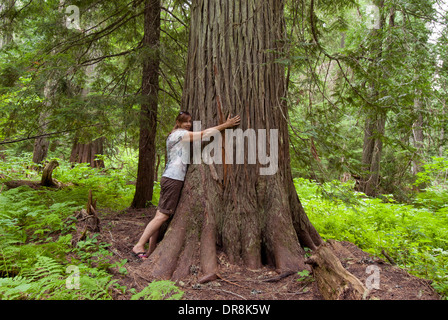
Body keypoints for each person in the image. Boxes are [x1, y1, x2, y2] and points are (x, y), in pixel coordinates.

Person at [132, 110, 240, 259]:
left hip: (169, 177)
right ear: (178, 122)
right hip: (174, 178)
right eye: (185, 121)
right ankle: (139, 244)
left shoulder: (173, 134)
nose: (188, 124)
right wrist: (226, 125)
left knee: (159, 215)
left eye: (189, 121)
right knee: (162, 217)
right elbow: (204, 134)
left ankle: (150, 252)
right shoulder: (180, 134)